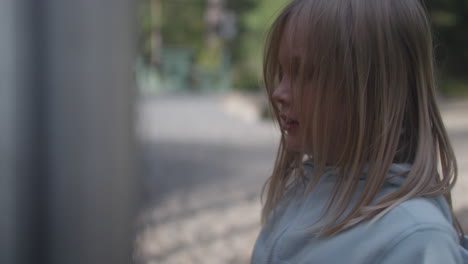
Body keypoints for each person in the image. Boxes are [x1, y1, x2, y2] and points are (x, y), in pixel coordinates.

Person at [250, 0, 468, 263]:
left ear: (375, 88)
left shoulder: (415, 240)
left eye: (304, 72)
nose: (278, 93)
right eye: (282, 73)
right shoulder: (299, 195)